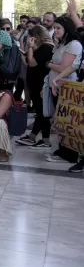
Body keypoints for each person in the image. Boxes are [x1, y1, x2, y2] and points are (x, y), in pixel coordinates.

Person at [45, 16, 83, 165]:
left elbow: (64, 67)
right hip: (56, 84)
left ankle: (70, 153)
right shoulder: (61, 43)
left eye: (58, 28)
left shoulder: (74, 44)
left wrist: (48, 64)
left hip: (68, 87)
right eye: (55, 28)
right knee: (59, 119)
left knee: (67, 121)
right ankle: (62, 149)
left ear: (67, 29)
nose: (55, 30)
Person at [15, 25, 54, 148]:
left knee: (42, 112)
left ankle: (37, 138)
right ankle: (41, 138)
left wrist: (31, 47)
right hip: (35, 83)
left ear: (36, 36)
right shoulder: (42, 47)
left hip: (40, 84)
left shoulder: (47, 48)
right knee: (41, 112)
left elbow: (32, 63)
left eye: (30, 37)